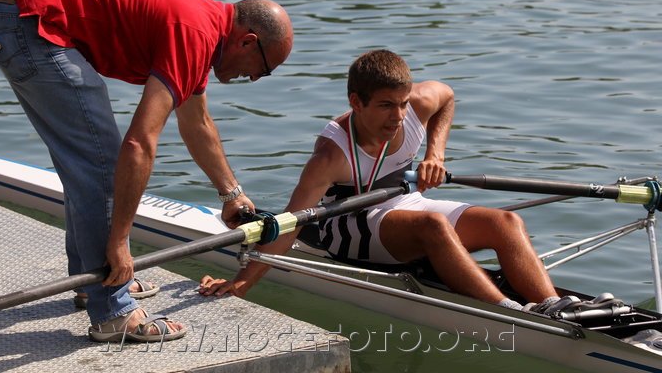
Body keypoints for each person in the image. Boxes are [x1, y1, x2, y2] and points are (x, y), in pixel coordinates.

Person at [0, 0, 293, 342]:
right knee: (102, 163)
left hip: (16, 9)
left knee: (87, 160)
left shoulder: (203, 27)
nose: (256, 79)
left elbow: (197, 122)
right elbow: (140, 143)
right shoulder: (195, 33)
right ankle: (113, 311)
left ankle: (90, 281)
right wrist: (121, 242)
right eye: (264, 69)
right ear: (247, 41)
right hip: (26, 18)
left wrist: (232, 193)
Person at [199, 49, 576, 315]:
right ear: (356, 102)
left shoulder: (415, 108)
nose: (398, 116)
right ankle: (510, 313)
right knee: (433, 225)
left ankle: (550, 305)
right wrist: (243, 282)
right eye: (385, 106)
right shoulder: (331, 157)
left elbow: (446, 95)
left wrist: (435, 154)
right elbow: (291, 225)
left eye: (403, 103)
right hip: (343, 224)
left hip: (400, 204)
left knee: (506, 222)